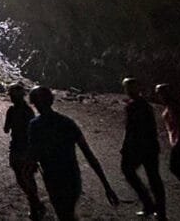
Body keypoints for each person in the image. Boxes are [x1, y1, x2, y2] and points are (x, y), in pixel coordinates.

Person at [27, 86, 119, 220]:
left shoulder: (35, 126)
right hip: (71, 176)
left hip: (53, 177)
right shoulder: (67, 123)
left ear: (34, 103)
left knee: (63, 213)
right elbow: (89, 154)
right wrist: (106, 185)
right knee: (67, 213)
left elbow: (33, 155)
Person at [121, 78, 166, 219]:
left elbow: (131, 130)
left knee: (128, 170)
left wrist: (126, 146)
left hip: (138, 146)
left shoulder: (132, 106)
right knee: (154, 177)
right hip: (150, 145)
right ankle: (160, 211)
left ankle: (148, 203)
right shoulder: (146, 105)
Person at [3, 83, 45, 220]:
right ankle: (35, 203)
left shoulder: (13, 111)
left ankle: (35, 205)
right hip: (25, 147)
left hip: (18, 147)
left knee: (22, 178)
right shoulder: (28, 111)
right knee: (28, 178)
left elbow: (6, 129)